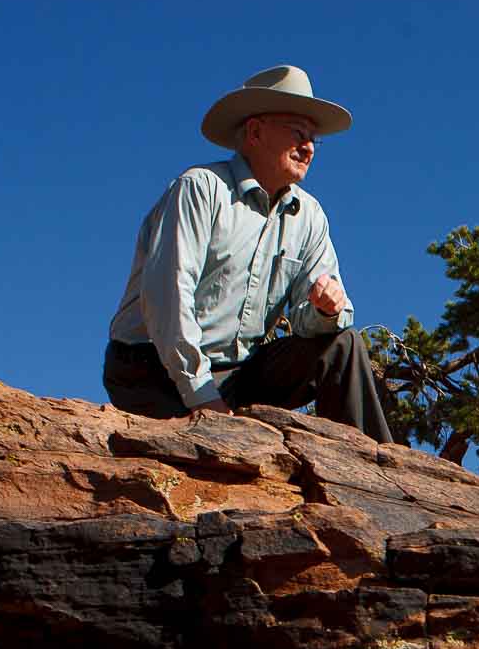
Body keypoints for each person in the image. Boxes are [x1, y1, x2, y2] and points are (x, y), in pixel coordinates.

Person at [103, 65, 394, 443]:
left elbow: (309, 323)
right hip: (151, 367)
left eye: (313, 139)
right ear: (255, 132)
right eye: (298, 133)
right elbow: (167, 297)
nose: (308, 147)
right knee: (209, 455)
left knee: (343, 344)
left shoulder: (309, 216)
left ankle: (375, 464)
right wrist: (204, 398)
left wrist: (326, 311)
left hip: (238, 373)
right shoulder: (201, 189)